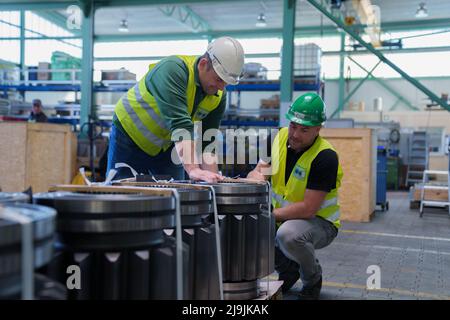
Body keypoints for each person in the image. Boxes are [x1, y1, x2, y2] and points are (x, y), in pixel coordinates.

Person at [107, 37, 245, 182]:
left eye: (226, 83)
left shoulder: (218, 94)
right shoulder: (173, 70)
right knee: (121, 194)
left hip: (167, 144)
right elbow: (180, 124)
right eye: (218, 79)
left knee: (176, 194)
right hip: (129, 135)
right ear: (203, 64)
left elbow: (208, 140)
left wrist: (215, 181)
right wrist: (193, 169)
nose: (222, 87)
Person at [247, 92, 343, 300]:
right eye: (293, 126)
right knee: (253, 222)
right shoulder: (277, 138)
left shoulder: (325, 157)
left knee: (287, 235)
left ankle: (312, 278)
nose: (295, 134)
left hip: (320, 223)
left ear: (318, 129)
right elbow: (259, 171)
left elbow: (309, 208)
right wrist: (254, 182)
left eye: (304, 129)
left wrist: (269, 214)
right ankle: (287, 270)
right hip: (285, 216)